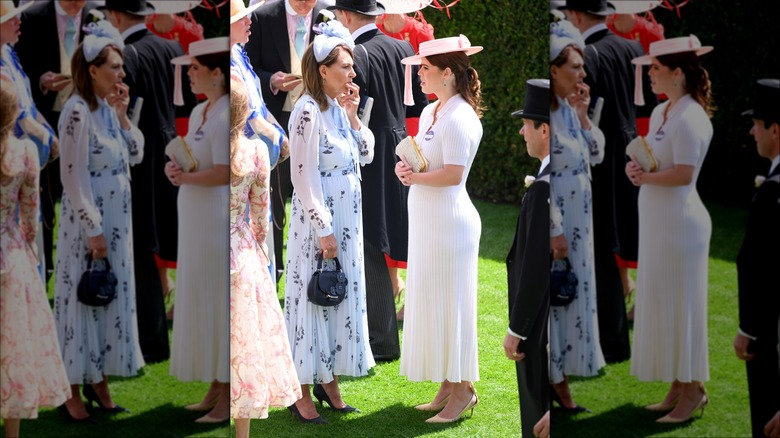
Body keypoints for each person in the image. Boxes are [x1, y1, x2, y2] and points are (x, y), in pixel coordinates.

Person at [284, 20, 375, 424]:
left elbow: (366, 155)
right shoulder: (306, 111)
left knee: (334, 298)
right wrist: (324, 228)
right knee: (311, 297)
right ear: (322, 70)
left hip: (347, 222)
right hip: (319, 223)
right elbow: (301, 175)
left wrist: (354, 116)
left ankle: (329, 382)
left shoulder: (338, 109)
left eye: (352, 67)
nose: (351, 74)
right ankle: (300, 391)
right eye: (345, 67)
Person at [54, 20, 145, 422]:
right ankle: (71, 390)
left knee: (104, 300)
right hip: (88, 225)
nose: (120, 75)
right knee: (80, 300)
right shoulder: (75, 111)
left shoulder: (107, 109)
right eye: (114, 67)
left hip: (116, 223)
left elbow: (136, 154)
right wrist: (93, 228)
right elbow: (71, 176)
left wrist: (124, 116)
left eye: (121, 68)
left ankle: (99, 381)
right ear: (92, 70)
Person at [329, 0, 428, 360]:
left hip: (368, 153)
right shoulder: (402, 46)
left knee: (370, 240)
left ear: (346, 16)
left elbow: (349, 108)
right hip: (401, 146)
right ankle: (386, 333)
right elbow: (416, 104)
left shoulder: (356, 53)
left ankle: (382, 340)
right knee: (393, 237)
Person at [559, 0, 657, 363]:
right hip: (631, 144)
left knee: (604, 240)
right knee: (624, 235)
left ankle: (610, 333)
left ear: (578, 16)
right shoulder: (631, 46)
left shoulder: (589, 53)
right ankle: (624, 320)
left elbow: (586, 105)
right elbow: (642, 103)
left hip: (600, 154)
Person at [626, 34, 715, 423]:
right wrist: (636, 169)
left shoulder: (692, 115)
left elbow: (683, 173)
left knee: (684, 305)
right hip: (661, 225)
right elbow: (653, 157)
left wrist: (645, 179)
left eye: (656, 69)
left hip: (682, 225)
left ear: (678, 73)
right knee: (666, 301)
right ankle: (679, 385)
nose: (650, 75)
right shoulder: (665, 111)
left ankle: (693, 389)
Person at [395, 34, 483, 424]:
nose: (419, 75)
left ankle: (463, 390)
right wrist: (406, 169)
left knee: (452, 304)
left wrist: (414, 179)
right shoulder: (432, 112)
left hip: (451, 224)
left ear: (447, 73)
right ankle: (448, 384)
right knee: (434, 299)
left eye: (424, 69)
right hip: (429, 224)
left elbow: (453, 174)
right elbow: (426, 161)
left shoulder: (462, 115)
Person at [228, 76, 301, 438]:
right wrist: (256, 244)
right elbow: (260, 214)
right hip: (240, 251)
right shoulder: (255, 152)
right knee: (243, 340)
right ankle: (241, 432)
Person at [163, 37, 230, 423]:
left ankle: (226, 395)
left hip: (213, 221)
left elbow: (222, 172)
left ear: (216, 73)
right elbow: (191, 159)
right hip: (194, 219)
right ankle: (214, 386)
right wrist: (174, 171)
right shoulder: (203, 109)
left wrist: (185, 179)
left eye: (195, 68)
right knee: (203, 297)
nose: (189, 74)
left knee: (217, 301)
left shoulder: (222, 113)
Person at [0, 86, 71, 438]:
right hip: (12, 252)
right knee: (13, 342)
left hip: (10, 248)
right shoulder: (26, 152)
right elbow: (31, 213)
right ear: (13, 115)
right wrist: (26, 246)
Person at [245, 0, 329, 285]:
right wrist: (272, 80)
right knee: (276, 197)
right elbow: (248, 67)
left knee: (315, 192)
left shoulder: (327, 14)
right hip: (276, 122)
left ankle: (317, 268)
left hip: (319, 120)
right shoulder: (262, 16)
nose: (308, 4)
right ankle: (277, 270)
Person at [15, 0, 98, 284]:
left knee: (85, 192)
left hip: (89, 120)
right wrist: (42, 80)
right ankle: (48, 269)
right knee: (47, 198)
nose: (78, 4)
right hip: (46, 121)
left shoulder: (96, 14)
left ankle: (86, 264)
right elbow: (21, 65)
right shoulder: (32, 16)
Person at [548, 19, 605, 412]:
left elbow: (596, 154)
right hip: (563, 222)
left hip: (582, 222)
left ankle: (563, 379)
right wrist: (553, 228)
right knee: (556, 297)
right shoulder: (546, 115)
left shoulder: (569, 109)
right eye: (575, 67)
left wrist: (584, 115)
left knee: (572, 294)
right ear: (554, 69)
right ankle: (557, 386)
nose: (582, 74)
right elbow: (543, 175)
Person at [374, 0, 434, 321]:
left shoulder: (420, 32)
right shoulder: (373, 29)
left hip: (415, 126)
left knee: (414, 210)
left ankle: (413, 296)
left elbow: (433, 84)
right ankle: (392, 284)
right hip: (386, 129)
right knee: (390, 208)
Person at [1, 0, 61, 285]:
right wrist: (50, 138)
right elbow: (21, 115)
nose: (18, 22)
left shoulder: (9, 54)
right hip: (9, 159)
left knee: (32, 221)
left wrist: (49, 131)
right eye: (11, 19)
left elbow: (30, 104)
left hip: (27, 157)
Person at [504, 78, 551, 438]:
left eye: (526, 124)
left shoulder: (544, 190)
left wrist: (516, 330)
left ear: (545, 130)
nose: (521, 132)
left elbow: (535, 269)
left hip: (540, 325)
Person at [735, 78, 780, 437]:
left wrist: (747, 329)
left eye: (757, 125)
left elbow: (760, 266)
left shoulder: (773, 192)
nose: (752, 132)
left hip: (770, 333)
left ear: (775, 130)